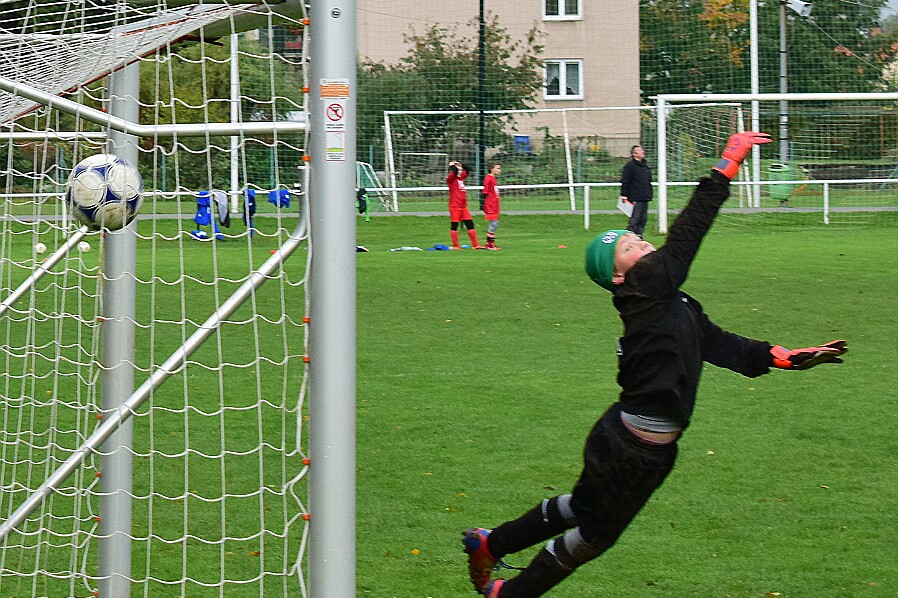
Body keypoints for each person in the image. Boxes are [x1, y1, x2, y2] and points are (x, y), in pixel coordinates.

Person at [461, 132, 848, 598]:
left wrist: (782, 357)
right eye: (629, 246)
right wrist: (725, 167)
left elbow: (721, 345)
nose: (640, 243)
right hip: (632, 447)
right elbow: (687, 235)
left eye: (635, 237)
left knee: (585, 508)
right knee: (594, 536)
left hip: (632, 444)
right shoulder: (643, 290)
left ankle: (491, 542)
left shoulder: (668, 302)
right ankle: (509, 592)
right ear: (619, 275)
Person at [447, 160, 483, 250]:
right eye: (458, 170)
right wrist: (452, 165)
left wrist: (460, 164)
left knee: (470, 224)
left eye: (461, 170)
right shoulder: (451, 179)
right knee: (454, 225)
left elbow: (468, 169)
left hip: (463, 207)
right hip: (455, 206)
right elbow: (454, 171)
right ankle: (456, 246)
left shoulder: (461, 178)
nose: (460, 171)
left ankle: (475, 245)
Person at [619, 145, 652, 237]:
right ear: (634, 154)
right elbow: (625, 180)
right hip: (635, 197)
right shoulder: (630, 166)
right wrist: (624, 194)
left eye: (642, 149)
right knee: (634, 219)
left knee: (643, 219)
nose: (643, 152)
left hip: (645, 197)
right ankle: (630, 238)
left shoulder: (645, 166)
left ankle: (639, 237)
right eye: (640, 150)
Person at [481, 162, 502, 250]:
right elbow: (485, 192)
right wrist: (485, 204)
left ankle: (490, 243)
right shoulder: (488, 178)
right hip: (491, 205)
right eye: (497, 168)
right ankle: (489, 244)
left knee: (495, 224)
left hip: (495, 205)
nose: (499, 170)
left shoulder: (493, 179)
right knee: (493, 223)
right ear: (491, 169)